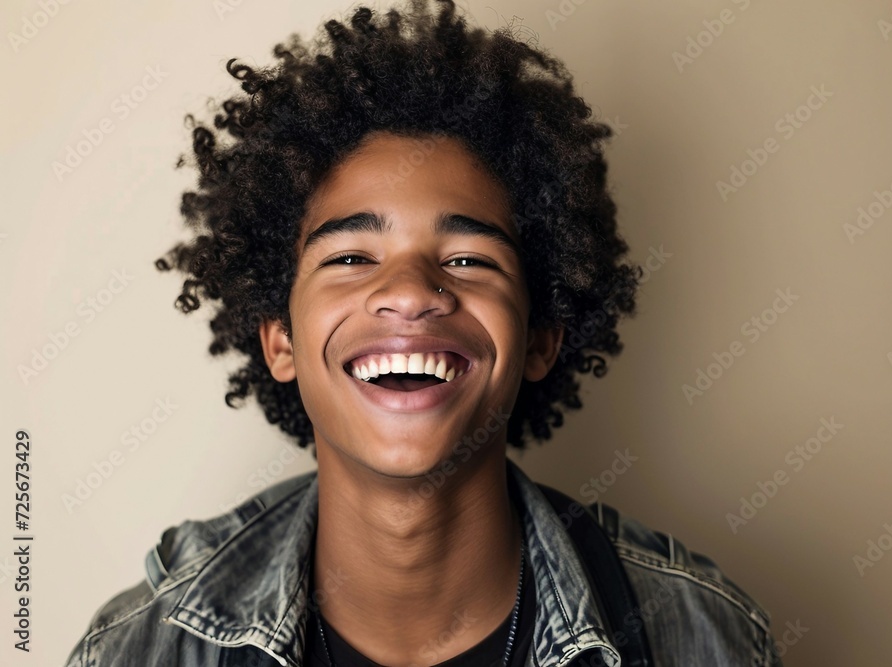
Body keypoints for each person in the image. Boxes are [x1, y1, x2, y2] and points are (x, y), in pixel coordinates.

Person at [65, 1, 783, 665]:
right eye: (349, 257)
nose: (409, 291)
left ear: (540, 338)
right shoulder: (139, 647)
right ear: (279, 337)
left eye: (469, 259)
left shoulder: (704, 635)